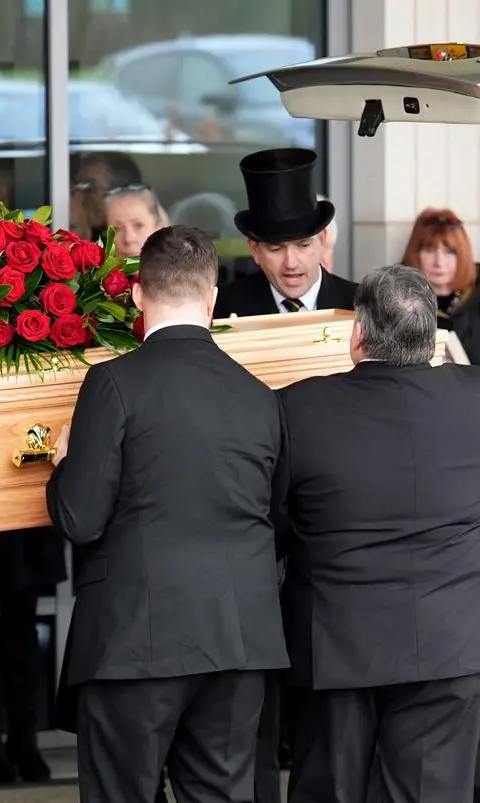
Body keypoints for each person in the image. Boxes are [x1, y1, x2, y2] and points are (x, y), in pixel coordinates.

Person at [47, 225, 289, 802]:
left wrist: (61, 465)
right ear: (212, 299)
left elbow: (80, 519)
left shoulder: (113, 382)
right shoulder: (260, 394)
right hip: (238, 639)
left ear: (136, 293)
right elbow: (277, 516)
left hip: (135, 640)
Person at [275, 265, 480, 803]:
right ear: (435, 336)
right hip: (450, 641)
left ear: (358, 334)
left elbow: (276, 525)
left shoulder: (300, 407)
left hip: (338, 644)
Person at [214, 148, 357, 317]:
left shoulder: (362, 305)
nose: (291, 263)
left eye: (303, 245)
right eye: (276, 249)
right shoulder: (223, 308)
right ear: (254, 250)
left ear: (323, 239)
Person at [400, 208, 480, 374]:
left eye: (449, 252)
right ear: (415, 254)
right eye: (429, 250)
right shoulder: (395, 310)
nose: (439, 262)